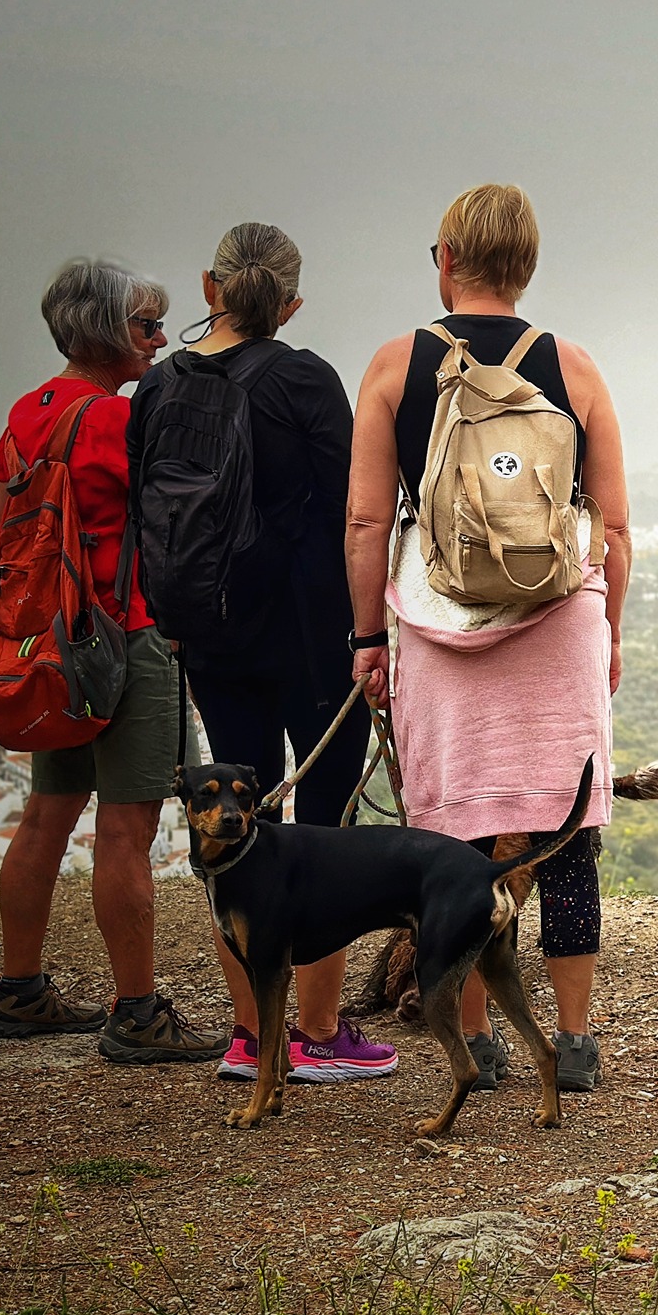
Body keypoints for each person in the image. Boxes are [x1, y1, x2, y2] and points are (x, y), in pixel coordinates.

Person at [345, 183, 631, 1093]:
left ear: (445, 261)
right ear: (528, 266)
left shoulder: (395, 366)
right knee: (566, 832)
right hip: (559, 624)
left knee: (452, 844)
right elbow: (614, 529)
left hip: (438, 629)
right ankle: (576, 1040)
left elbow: (362, 523)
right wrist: (608, 632)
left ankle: (478, 1036)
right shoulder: (574, 367)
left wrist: (367, 640)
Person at [130, 222, 396, 1086]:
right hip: (312, 632)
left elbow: (148, 511)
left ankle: (251, 1036)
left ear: (209, 288)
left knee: (232, 833)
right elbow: (356, 510)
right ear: (290, 302)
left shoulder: (160, 385)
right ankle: (315, 1034)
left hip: (209, 630)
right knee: (322, 824)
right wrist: (372, 632)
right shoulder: (306, 379)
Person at [0, 257, 228, 1066]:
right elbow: (169, 528)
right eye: (146, 326)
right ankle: (138, 1011)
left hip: (50, 642)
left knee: (47, 815)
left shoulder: (27, 412)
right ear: (106, 332)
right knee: (127, 828)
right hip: (124, 638)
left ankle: (19, 990)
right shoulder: (114, 421)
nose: (158, 341)